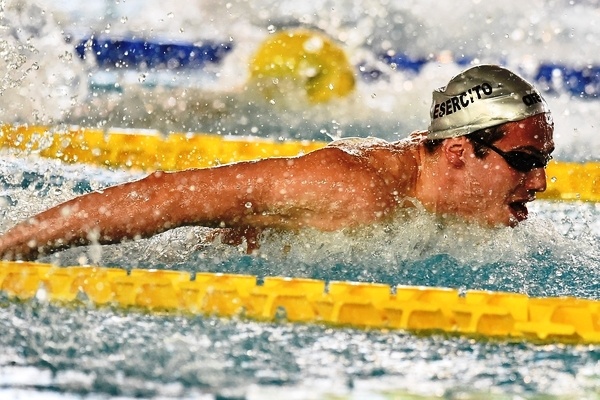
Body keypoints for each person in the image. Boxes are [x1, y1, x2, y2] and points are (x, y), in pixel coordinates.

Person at [0, 64, 555, 261]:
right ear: (458, 151)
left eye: (545, 160)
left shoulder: (446, 199)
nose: (542, 182)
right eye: (526, 161)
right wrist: (12, 244)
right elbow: (171, 195)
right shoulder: (352, 191)